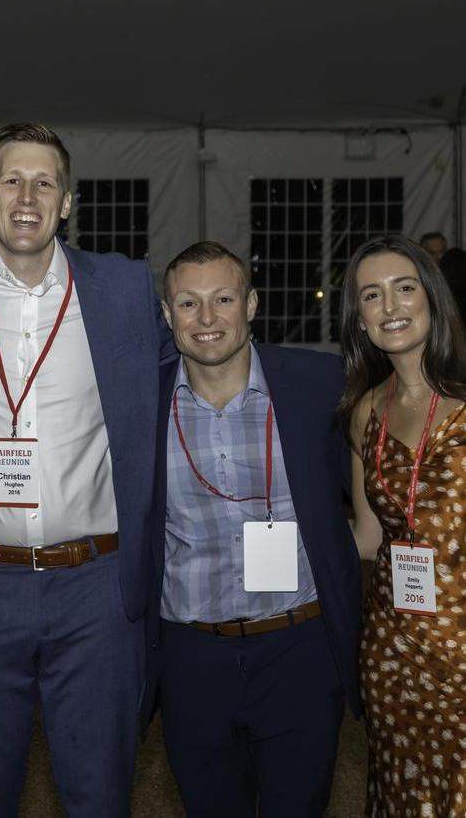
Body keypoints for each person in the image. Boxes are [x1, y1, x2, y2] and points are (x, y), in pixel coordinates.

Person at [0, 122, 173, 816]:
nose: (28, 196)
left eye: (45, 182)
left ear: (67, 201)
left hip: (95, 590)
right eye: (12, 180)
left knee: (100, 793)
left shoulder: (123, 289)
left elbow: (187, 373)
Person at [149, 241, 361, 816]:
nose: (208, 318)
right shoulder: (141, 402)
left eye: (223, 299)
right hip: (192, 655)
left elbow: (377, 489)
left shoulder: (319, 384)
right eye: (188, 304)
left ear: (251, 304)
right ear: (167, 315)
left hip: (301, 647)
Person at [341, 235, 466, 816]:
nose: (390, 306)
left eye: (404, 287)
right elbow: (367, 538)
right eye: (372, 295)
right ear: (360, 320)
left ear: (432, 299)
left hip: (462, 648)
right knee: (404, 794)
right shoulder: (367, 410)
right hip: (393, 651)